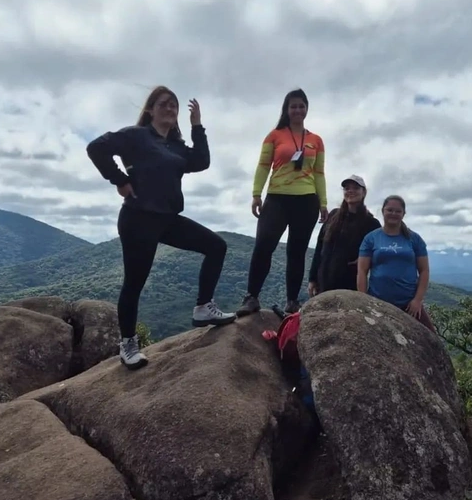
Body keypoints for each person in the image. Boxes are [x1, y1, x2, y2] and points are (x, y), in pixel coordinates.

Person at [86, 86, 236, 370]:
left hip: (166, 219)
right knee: (134, 283)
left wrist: (197, 126)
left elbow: (202, 161)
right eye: (164, 104)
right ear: (151, 109)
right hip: (138, 218)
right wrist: (119, 179)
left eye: (174, 105)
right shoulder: (136, 136)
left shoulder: (176, 146)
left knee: (216, 246)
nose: (170, 109)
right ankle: (128, 344)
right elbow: (95, 148)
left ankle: (204, 307)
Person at [237, 89, 328, 317]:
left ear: (307, 109)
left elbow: (319, 173)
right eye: (293, 106)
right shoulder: (274, 135)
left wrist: (323, 203)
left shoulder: (316, 140)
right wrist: (256, 194)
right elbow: (263, 166)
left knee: (297, 252)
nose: (297, 110)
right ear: (286, 109)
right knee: (263, 246)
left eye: (301, 106)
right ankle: (252, 297)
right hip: (277, 198)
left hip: (307, 200)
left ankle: (292, 302)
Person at [357, 195, 436, 332]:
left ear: (403, 214)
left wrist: (417, 300)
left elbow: (424, 271)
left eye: (398, 211)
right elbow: (362, 271)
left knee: (432, 338)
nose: (393, 213)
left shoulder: (414, 239)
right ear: (383, 211)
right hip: (378, 302)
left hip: (409, 304)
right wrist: (364, 300)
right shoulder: (371, 238)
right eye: (390, 210)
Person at [308, 175, 381, 297]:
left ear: (364, 192)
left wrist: (364, 259)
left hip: (351, 285)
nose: (351, 191)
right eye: (347, 188)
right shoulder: (333, 216)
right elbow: (319, 248)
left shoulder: (371, 223)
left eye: (356, 188)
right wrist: (312, 279)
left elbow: (380, 251)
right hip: (324, 282)